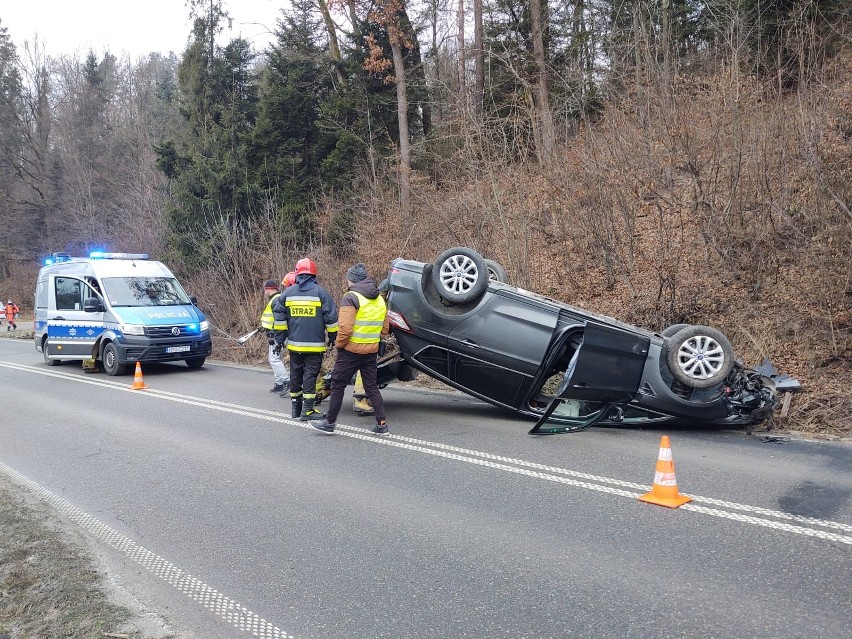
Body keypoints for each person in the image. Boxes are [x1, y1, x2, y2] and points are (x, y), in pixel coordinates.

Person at [312, 263, 390, 436]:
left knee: (338, 385)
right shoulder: (379, 299)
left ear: (352, 280)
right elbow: (385, 329)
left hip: (350, 351)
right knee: (371, 387)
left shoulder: (351, 297)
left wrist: (339, 345)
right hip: (371, 350)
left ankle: (329, 423)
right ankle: (381, 424)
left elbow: (345, 329)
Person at [272, 258, 338, 421]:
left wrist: (279, 339)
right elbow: (331, 317)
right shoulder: (320, 292)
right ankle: (307, 410)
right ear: (314, 274)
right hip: (314, 345)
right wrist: (333, 336)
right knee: (310, 375)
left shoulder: (288, 293)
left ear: (297, 273)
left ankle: (296, 408)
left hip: (294, 345)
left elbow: (279, 316)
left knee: (296, 374)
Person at [261, 277, 291, 396]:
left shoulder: (276, 300)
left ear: (268, 289)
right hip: (275, 334)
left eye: (265, 289)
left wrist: (274, 337)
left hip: (277, 335)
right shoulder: (276, 298)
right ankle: (279, 384)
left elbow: (279, 320)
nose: (264, 292)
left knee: (274, 359)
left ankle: (286, 381)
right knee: (273, 358)